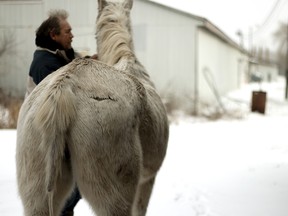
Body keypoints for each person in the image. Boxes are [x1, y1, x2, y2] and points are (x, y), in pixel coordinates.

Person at [26, 9, 81, 216]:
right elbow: (57, 102)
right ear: (53, 35)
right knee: (67, 189)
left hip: (62, 135)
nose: (72, 35)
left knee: (75, 187)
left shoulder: (59, 57)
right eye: (68, 31)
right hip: (48, 139)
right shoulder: (44, 63)